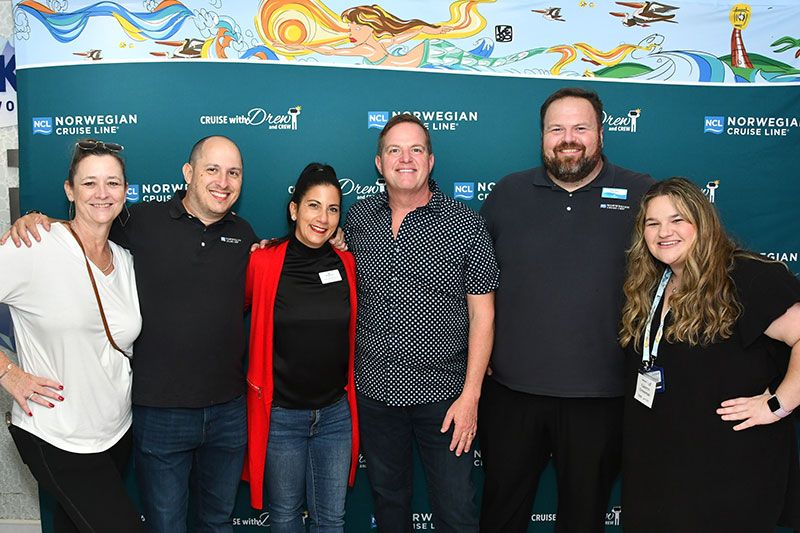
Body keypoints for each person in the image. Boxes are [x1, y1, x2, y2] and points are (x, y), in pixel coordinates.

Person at [2, 135, 258, 533]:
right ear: (188, 173)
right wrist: (8, 373)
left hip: (136, 425)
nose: (223, 181)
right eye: (212, 169)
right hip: (92, 424)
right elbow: (78, 229)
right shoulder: (136, 223)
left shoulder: (237, 235)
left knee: (211, 521)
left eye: (233, 172)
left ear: (124, 190)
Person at [478, 87, 654, 532]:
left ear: (601, 132)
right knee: (501, 514)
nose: (568, 137)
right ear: (542, 135)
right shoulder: (507, 193)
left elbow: (688, 261)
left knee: (583, 519)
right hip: (512, 394)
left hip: (602, 397)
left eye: (580, 127)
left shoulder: (643, 194)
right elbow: (470, 279)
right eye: (557, 128)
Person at [343, 113, 498, 533]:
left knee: (456, 509)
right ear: (379, 164)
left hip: (445, 398)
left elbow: (483, 312)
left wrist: (471, 397)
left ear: (431, 161)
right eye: (394, 150)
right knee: (389, 505)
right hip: (375, 391)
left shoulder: (465, 223)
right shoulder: (358, 219)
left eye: (416, 150)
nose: (405, 159)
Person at [619, 177, 800, 532]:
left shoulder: (746, 276)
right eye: (652, 223)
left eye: (677, 220)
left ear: (702, 223)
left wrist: (779, 404)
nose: (663, 232)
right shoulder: (652, 283)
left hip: (728, 473)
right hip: (662, 469)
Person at [0, 139, 142, 532]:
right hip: (56, 435)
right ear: (69, 190)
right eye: (89, 183)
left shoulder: (125, 259)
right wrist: (8, 373)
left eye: (112, 183)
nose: (102, 193)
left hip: (115, 433)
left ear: (125, 191)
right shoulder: (35, 245)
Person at [242, 163, 359, 532]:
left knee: (331, 519)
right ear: (294, 209)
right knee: (285, 517)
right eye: (313, 205)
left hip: (336, 416)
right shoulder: (262, 262)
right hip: (281, 417)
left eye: (332, 208)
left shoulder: (347, 263)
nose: (322, 218)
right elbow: (229, 311)